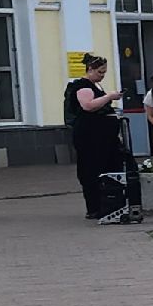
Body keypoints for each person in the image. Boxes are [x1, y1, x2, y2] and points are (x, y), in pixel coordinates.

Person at [67, 53, 125, 220]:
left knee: (107, 166)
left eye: (104, 72)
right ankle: (94, 206)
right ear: (90, 69)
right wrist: (109, 97)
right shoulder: (83, 86)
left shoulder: (95, 85)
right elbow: (88, 106)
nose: (102, 75)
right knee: (91, 169)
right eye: (100, 72)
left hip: (102, 137)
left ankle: (108, 203)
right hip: (90, 137)